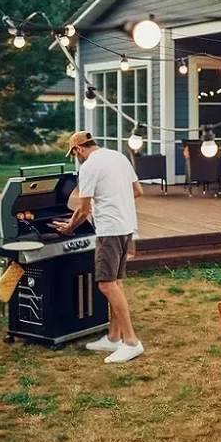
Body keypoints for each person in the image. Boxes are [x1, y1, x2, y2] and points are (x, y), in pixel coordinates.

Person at [53, 131, 144, 363]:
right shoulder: (118, 157)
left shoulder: (89, 167)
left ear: (78, 149)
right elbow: (138, 191)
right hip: (126, 227)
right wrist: (113, 201)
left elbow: (83, 210)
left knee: (106, 285)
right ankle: (113, 337)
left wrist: (68, 228)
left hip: (109, 231)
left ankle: (131, 342)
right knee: (116, 282)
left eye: (75, 154)